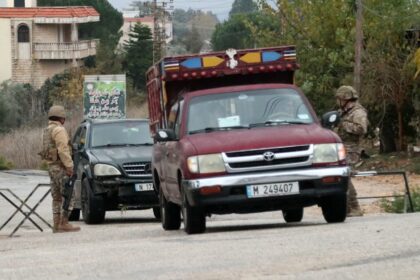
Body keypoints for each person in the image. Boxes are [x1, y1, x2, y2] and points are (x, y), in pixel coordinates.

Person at [40, 105, 80, 233]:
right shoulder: (59, 130)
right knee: (69, 195)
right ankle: (64, 222)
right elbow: (63, 150)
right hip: (61, 167)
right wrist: (69, 166)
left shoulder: (46, 130)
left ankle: (56, 225)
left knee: (56, 197)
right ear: (61, 118)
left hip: (51, 167)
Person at [335, 85, 368, 217]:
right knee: (340, 175)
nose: (338, 101)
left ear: (345, 98)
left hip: (352, 148)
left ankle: (354, 207)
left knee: (345, 175)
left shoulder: (358, 112)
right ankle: (346, 208)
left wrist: (343, 123)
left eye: (339, 99)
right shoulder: (343, 111)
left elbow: (361, 129)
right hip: (341, 147)